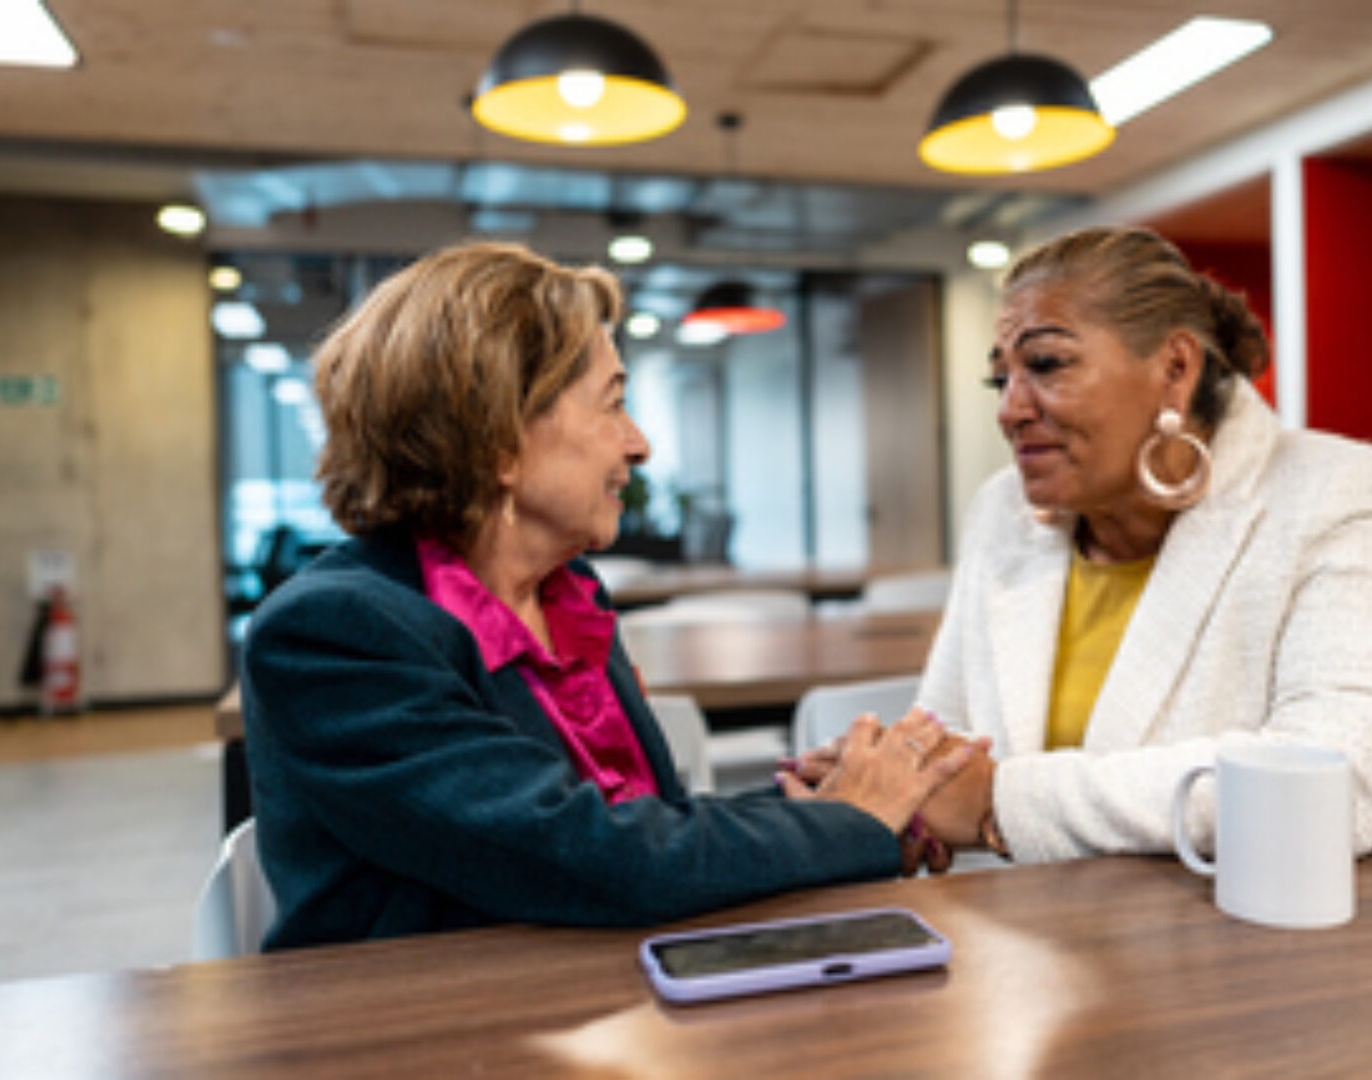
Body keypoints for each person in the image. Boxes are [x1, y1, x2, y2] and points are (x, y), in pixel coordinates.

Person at [242, 242, 974, 950]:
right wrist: (849, 822)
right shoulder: (336, 631)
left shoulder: (567, 595)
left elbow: (640, 824)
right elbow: (592, 857)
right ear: (498, 438)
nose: (639, 444)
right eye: (612, 404)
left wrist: (824, 802)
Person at [900, 226, 1372, 863]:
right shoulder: (1003, 508)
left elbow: (1344, 781)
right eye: (1001, 381)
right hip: (1029, 940)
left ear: (1174, 370)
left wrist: (1001, 801)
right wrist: (890, 783)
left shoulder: (1342, 493)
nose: (1009, 410)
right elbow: (947, 734)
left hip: (1243, 945)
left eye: (1045, 365)